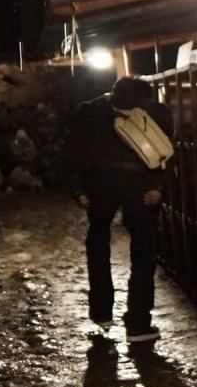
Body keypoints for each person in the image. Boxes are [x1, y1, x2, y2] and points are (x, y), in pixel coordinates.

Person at [65, 77, 174, 342]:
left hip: (102, 185)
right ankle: (136, 323)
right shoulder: (154, 111)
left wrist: (78, 191)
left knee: (101, 245)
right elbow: (168, 153)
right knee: (141, 251)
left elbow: (72, 152)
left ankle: (105, 313)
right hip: (135, 185)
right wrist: (159, 187)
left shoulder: (91, 111)